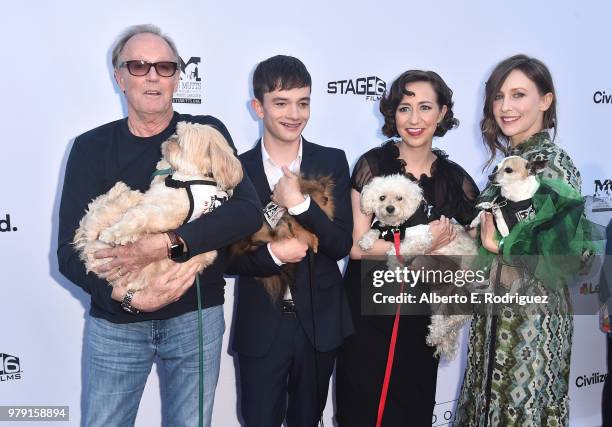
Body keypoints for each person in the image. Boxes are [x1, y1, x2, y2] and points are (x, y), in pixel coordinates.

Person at [57, 24, 262, 427]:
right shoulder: (90, 148)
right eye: (139, 66)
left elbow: (246, 211)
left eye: (164, 66)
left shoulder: (203, 133)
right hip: (116, 321)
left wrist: (170, 243)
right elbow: (67, 253)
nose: (152, 75)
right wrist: (125, 297)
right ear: (119, 77)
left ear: (177, 77)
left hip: (195, 317)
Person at [335, 70, 479, 426]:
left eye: (425, 107)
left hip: (421, 315)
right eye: (404, 108)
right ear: (392, 114)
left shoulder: (455, 180)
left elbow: (477, 245)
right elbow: (357, 247)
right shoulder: (372, 165)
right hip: (368, 310)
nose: (414, 120)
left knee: (413, 404)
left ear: (442, 113)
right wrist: (422, 244)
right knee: (362, 405)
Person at [454, 54, 584, 426]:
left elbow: (563, 254)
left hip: (532, 331)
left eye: (518, 95)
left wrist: (499, 246)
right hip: (493, 323)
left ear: (546, 100)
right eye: (498, 96)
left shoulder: (553, 164)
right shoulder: (509, 162)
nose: (505, 107)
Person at [226, 55, 353, 426]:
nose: (294, 113)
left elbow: (340, 244)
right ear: (258, 107)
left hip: (320, 326)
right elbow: (226, 258)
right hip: (261, 328)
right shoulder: (236, 169)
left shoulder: (331, 161)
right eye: (281, 103)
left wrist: (299, 204)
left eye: (303, 102)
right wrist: (273, 254)